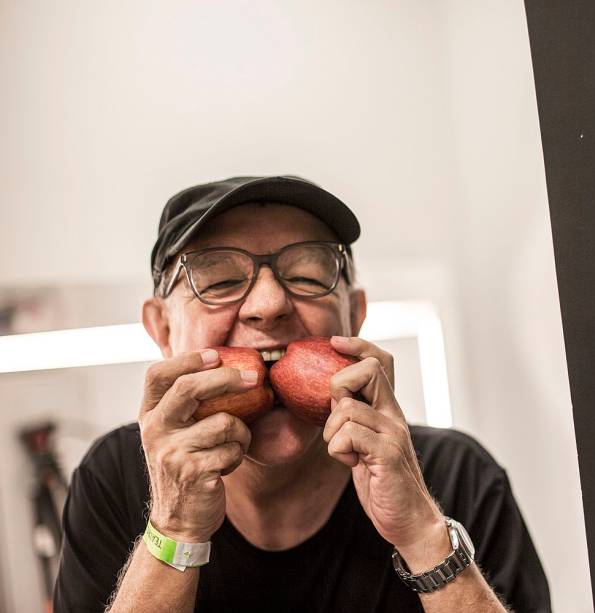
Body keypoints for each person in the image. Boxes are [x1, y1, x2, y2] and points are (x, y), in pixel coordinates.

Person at [52, 175, 551, 612]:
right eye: (219, 279)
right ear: (162, 328)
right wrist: (175, 528)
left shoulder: (458, 475)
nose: (268, 305)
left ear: (354, 314)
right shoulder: (113, 477)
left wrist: (423, 536)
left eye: (308, 274)